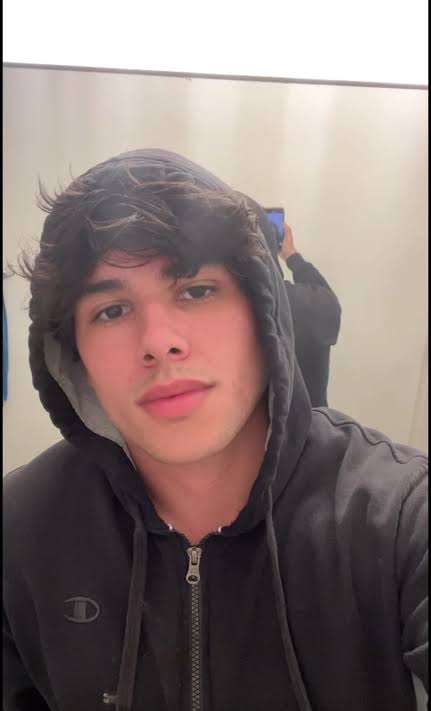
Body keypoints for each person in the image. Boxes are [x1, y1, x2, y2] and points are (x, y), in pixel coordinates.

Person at [3, 148, 428, 711]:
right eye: (111, 311)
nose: (159, 342)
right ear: (73, 356)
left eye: (196, 291)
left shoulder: (401, 518)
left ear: (263, 312)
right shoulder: (19, 529)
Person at [241, 193, 341, 407]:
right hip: (312, 424)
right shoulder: (314, 304)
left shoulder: (230, 305)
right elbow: (325, 293)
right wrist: (292, 255)